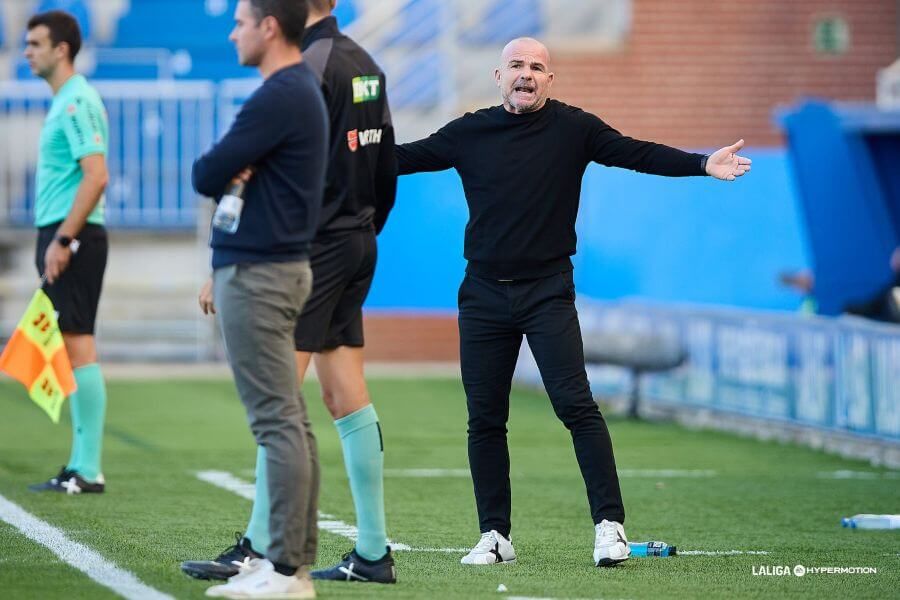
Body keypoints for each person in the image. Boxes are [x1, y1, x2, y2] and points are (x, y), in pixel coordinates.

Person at [396, 37, 751, 568]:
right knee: (485, 419)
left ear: (549, 80)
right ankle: (495, 536)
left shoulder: (574, 128)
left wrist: (702, 164)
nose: (526, 74)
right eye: (517, 65)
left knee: (576, 406)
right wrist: (346, 146)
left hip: (547, 292)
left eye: (537, 67)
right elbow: (401, 158)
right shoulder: (469, 131)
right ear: (498, 76)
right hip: (483, 294)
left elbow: (637, 153)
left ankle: (610, 528)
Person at [182, 0, 398, 585]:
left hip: (311, 246)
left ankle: (261, 548)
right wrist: (362, 229)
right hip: (358, 238)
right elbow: (385, 167)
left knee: (279, 402)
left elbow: (297, 173)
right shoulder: (366, 62)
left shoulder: (308, 66)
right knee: (344, 395)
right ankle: (372, 551)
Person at [190, 1, 328, 597]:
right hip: (272, 268)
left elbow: (206, 172)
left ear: (269, 27)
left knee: (278, 423)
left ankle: (286, 569)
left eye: (241, 21)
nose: (232, 33)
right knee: (289, 420)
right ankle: (290, 565)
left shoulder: (280, 93)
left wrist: (234, 167)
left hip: (261, 274)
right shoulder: (295, 91)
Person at [24, 10, 111, 496]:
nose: (27, 51)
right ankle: (80, 462)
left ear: (62, 50)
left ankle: (89, 468)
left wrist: (63, 240)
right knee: (71, 343)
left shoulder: (77, 100)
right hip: (63, 232)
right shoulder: (66, 100)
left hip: (72, 235)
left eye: (35, 43)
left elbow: (96, 176)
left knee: (79, 344)